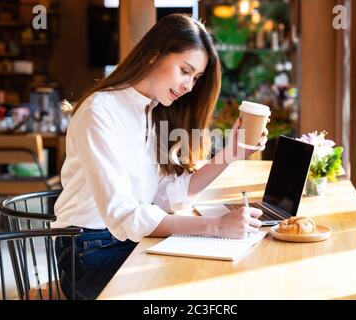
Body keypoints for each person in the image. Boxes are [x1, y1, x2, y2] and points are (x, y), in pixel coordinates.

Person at [53, 14, 268, 300]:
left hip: (122, 241)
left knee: (210, 267)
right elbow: (124, 216)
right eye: (185, 70)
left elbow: (165, 194)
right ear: (154, 54)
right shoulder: (100, 112)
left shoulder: (150, 111)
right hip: (87, 252)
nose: (189, 86)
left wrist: (231, 154)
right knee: (188, 279)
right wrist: (215, 226)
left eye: (196, 78)